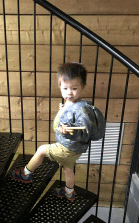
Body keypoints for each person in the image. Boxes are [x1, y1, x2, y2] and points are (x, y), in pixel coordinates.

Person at [11, 62, 103, 200]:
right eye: (65, 88)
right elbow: (67, 117)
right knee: (68, 169)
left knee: (42, 149)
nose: (69, 92)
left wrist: (68, 132)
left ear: (82, 86)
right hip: (74, 150)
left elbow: (85, 130)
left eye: (74, 88)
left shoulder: (81, 109)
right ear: (60, 87)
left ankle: (25, 174)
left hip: (67, 148)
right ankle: (69, 192)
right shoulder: (69, 103)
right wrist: (63, 110)